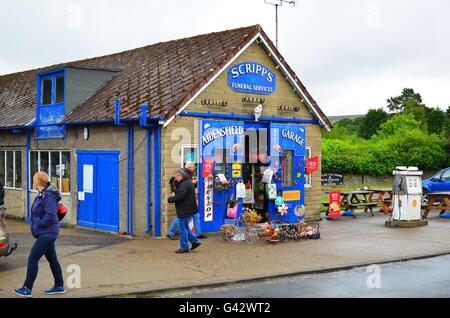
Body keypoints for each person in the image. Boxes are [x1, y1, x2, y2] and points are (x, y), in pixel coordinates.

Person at [13, 172, 65, 297]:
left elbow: (51, 214)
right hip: (45, 232)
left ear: (37, 182)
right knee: (52, 259)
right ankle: (59, 285)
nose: (32, 182)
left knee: (32, 258)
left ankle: (27, 288)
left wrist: (39, 224)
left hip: (47, 233)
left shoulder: (48, 196)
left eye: (33, 180)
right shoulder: (42, 195)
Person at [167, 169, 201, 254]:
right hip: (189, 209)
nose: (175, 179)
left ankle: (184, 247)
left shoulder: (184, 184)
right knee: (185, 227)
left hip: (184, 210)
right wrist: (172, 185)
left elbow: (180, 196)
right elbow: (179, 192)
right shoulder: (187, 182)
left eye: (176, 178)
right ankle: (195, 241)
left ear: (180, 176)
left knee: (183, 229)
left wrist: (170, 199)